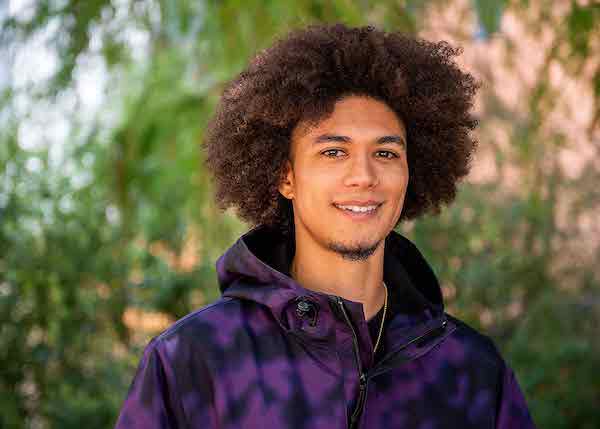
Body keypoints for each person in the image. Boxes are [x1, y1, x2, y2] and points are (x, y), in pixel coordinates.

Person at [115, 23, 537, 428]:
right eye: (334, 152)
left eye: (386, 154)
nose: (363, 176)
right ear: (286, 176)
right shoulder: (193, 360)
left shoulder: (473, 370)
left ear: (412, 173)